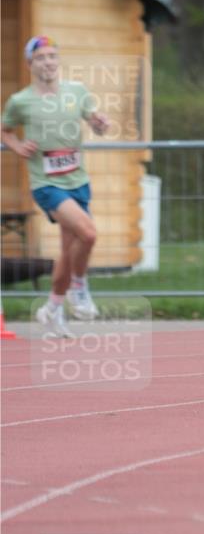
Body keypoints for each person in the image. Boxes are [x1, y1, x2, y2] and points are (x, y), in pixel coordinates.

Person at [1, 36, 109, 337]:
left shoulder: (76, 92)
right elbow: (4, 130)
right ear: (30, 64)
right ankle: (79, 287)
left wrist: (100, 123)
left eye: (52, 56)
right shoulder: (21, 101)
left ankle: (52, 309)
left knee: (67, 251)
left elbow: (95, 121)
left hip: (78, 181)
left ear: (58, 61)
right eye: (41, 58)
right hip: (47, 184)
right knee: (88, 233)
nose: (48, 62)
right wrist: (16, 145)